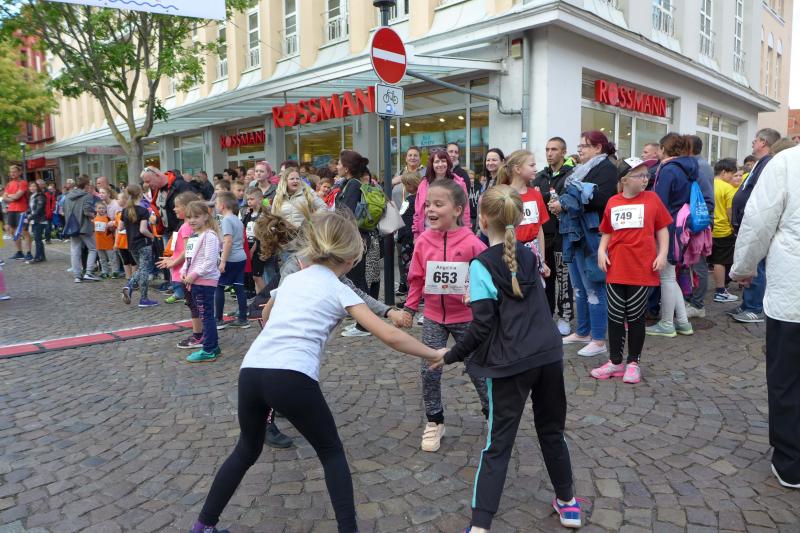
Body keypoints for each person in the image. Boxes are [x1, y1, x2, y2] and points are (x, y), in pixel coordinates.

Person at [188, 210, 444, 533]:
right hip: (291, 375)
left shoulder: (293, 279)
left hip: (251, 371)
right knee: (331, 452)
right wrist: (433, 353)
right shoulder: (340, 289)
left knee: (246, 449)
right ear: (351, 258)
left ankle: (203, 526)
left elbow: (265, 315)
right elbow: (389, 336)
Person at [442, 185, 582, 531]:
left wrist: (450, 355)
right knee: (552, 431)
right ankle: (568, 503)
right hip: (548, 354)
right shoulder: (529, 255)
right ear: (518, 219)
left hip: (511, 362)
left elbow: (481, 326)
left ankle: (480, 524)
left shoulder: (481, 265)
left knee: (498, 443)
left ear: (481, 219)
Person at [730, 144, 800, 490]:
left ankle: (791, 462)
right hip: (791, 292)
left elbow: (759, 221)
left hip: (793, 295)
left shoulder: (787, 162)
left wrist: (743, 267)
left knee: (787, 376)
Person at [402, 178, 489, 452]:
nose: (430, 209)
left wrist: (479, 300)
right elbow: (416, 278)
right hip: (433, 317)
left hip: (466, 318)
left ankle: (494, 416)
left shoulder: (473, 243)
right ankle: (435, 420)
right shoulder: (423, 241)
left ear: (458, 210)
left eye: (438, 204)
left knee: (478, 369)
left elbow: (487, 276)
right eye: (428, 204)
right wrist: (409, 308)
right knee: (429, 369)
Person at [592, 158, 671, 384]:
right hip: (616, 267)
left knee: (636, 316)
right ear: (624, 180)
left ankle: (633, 362)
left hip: (642, 268)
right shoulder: (613, 201)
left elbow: (662, 229)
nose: (645, 179)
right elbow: (607, 230)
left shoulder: (652, 199)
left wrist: (662, 254)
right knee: (615, 316)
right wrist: (601, 251)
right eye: (640, 175)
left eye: (647, 175)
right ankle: (615, 361)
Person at [549, 131, 617, 357]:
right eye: (579, 146)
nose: (580, 149)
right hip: (574, 232)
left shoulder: (606, 168)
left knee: (594, 287)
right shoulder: (580, 169)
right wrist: (563, 202)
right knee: (579, 286)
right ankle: (583, 332)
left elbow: (600, 199)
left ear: (598, 148)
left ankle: (598, 339)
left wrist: (565, 203)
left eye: (585, 146)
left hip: (591, 234)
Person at [644, 133, 696, 338]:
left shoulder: (668, 169)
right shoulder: (687, 167)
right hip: (680, 225)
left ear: (664, 149)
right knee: (670, 276)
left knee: (666, 277)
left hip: (667, 226)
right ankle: (682, 322)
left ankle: (667, 323)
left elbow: (660, 202)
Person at [728, 128, 781, 323]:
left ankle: (755, 308)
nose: (753, 142)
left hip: (757, 223)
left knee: (756, 265)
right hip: (748, 222)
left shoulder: (769, 164)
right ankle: (747, 303)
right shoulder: (761, 162)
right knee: (750, 263)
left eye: (756, 140)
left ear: (764, 142)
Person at [335, 150, 383, 336]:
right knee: (357, 280)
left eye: (339, 164)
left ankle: (365, 326)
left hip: (354, 239)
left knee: (359, 282)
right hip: (355, 238)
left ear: (347, 168)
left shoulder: (353, 185)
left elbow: (346, 214)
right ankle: (362, 323)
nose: (337, 166)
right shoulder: (350, 183)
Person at [534, 137, 575, 336]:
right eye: (547, 149)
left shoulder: (570, 175)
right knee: (545, 277)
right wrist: (546, 196)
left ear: (563, 152)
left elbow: (565, 198)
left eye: (554, 149)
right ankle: (546, 316)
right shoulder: (540, 176)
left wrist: (543, 196)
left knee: (563, 278)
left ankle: (565, 317)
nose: (550, 153)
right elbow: (536, 198)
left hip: (562, 234)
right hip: (543, 234)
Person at [181, 200, 223, 363]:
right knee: (205, 315)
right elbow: (189, 257)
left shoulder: (209, 236)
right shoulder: (194, 235)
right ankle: (214, 346)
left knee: (206, 316)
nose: (192, 220)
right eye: (189, 217)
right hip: (195, 281)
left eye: (196, 217)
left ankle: (209, 349)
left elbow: (210, 262)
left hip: (204, 281)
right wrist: (184, 271)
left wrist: (193, 275)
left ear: (206, 216)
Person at [496, 150, 550, 266]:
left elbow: (539, 229)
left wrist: (542, 260)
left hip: (532, 254)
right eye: (531, 165)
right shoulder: (502, 194)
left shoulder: (536, 195)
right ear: (518, 169)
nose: (536, 169)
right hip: (509, 251)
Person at [411, 149, 471, 238]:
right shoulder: (423, 184)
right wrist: (416, 235)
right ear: (432, 164)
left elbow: (465, 209)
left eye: (443, 161)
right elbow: (417, 212)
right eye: (436, 162)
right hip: (428, 231)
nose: (440, 164)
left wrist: (467, 230)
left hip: (453, 231)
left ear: (448, 163)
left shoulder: (458, 183)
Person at [214, 192, 250, 330]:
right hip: (241, 257)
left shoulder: (226, 220)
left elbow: (228, 241)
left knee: (219, 286)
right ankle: (243, 319)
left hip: (231, 258)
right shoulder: (237, 219)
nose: (216, 206)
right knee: (239, 287)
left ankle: (218, 319)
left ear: (222, 205)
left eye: (217, 203)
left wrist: (223, 261)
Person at [706, 158, 739, 307]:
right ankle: (720, 291)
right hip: (723, 230)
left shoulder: (708, 184)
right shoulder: (728, 188)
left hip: (707, 228)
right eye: (732, 174)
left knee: (706, 261)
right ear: (724, 172)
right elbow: (730, 211)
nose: (732, 177)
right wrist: (734, 227)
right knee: (720, 261)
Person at [158, 191, 199, 305]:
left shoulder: (186, 227)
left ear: (186, 208)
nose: (174, 209)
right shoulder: (187, 225)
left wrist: (173, 262)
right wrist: (171, 258)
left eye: (177, 206)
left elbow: (187, 251)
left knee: (192, 302)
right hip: (183, 267)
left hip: (183, 268)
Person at [121, 184, 158, 308]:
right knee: (144, 270)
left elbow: (120, 227)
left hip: (131, 244)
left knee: (141, 269)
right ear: (140, 194)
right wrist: (152, 236)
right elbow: (143, 230)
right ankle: (141, 297)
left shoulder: (125, 211)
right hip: (143, 243)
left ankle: (131, 288)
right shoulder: (142, 211)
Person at [63, 175, 101, 283]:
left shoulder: (68, 196)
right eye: (89, 184)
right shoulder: (87, 196)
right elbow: (87, 211)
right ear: (86, 185)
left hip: (72, 227)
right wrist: (95, 214)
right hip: (84, 227)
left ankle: (77, 275)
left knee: (75, 250)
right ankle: (88, 272)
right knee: (93, 248)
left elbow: (64, 211)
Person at [395, 171, 420, 297]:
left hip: (408, 239)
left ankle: (412, 295)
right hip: (408, 238)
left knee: (409, 268)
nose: (405, 187)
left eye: (406, 184)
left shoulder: (412, 200)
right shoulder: (415, 199)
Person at [3, 165, 32, 261]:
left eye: (14, 172)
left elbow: (17, 197)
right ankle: (19, 252)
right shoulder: (9, 184)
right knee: (12, 231)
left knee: (24, 232)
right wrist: (12, 196)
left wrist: (9, 196)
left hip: (22, 210)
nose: (12, 173)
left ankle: (29, 253)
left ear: (20, 172)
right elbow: (4, 198)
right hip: (11, 210)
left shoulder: (23, 183)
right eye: (11, 172)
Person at [114, 189, 136, 280]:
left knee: (133, 260)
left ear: (125, 200)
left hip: (130, 241)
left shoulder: (131, 213)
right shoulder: (118, 214)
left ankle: (134, 278)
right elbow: (117, 229)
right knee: (125, 260)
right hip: (121, 242)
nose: (117, 201)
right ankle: (128, 277)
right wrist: (116, 242)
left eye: (118, 199)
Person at [25, 180, 47, 264]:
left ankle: (37, 257)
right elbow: (31, 208)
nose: (32, 188)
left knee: (37, 239)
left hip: (40, 220)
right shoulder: (33, 196)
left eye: (34, 186)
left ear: (37, 187)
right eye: (30, 186)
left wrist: (29, 218)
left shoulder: (40, 196)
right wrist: (25, 213)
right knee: (38, 239)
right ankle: (42, 256)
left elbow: (38, 210)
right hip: (35, 220)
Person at [93, 202, 117, 277]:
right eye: (99, 208)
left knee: (112, 258)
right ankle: (105, 272)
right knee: (102, 259)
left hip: (108, 242)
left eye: (103, 208)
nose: (101, 210)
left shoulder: (108, 218)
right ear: (96, 209)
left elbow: (112, 230)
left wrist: (110, 227)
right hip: (99, 242)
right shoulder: (94, 219)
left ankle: (115, 271)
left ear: (105, 209)